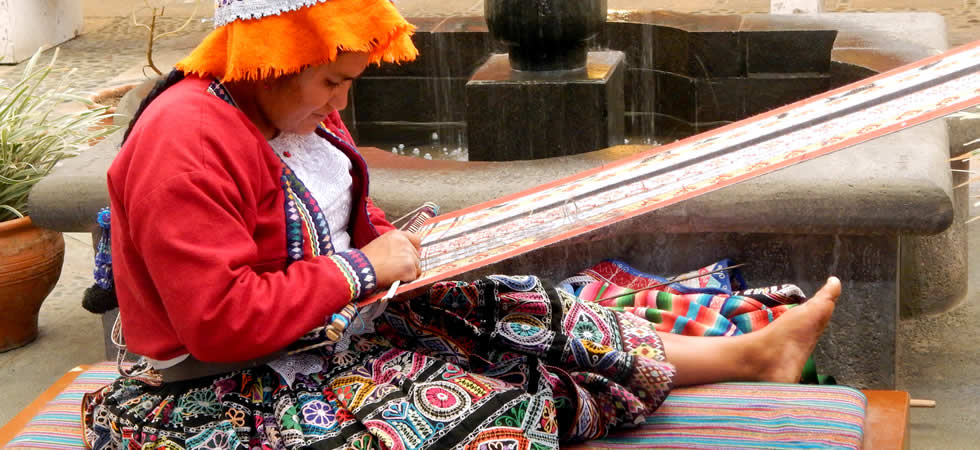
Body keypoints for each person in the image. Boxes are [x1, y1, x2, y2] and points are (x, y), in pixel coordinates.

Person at [81, 0, 844, 448]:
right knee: (495, 412)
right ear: (272, 56)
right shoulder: (184, 141)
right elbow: (216, 321)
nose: (339, 104)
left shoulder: (294, 118)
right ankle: (743, 359)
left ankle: (756, 354)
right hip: (215, 396)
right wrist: (363, 269)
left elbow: (340, 222)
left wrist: (418, 247)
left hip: (323, 333)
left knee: (521, 309)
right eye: (332, 80)